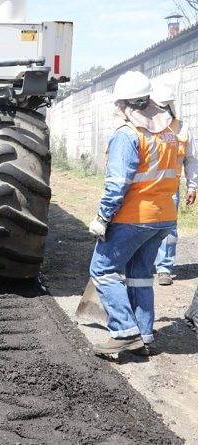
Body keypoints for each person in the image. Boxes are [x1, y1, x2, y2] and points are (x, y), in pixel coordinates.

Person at [88, 71, 181, 356]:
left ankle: (124, 331)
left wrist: (103, 218)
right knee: (139, 274)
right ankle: (144, 335)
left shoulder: (127, 135)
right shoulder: (168, 134)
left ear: (123, 105)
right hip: (164, 217)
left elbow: (117, 184)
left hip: (134, 218)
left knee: (102, 270)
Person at [150, 83, 197, 285]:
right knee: (141, 225)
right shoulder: (146, 127)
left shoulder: (183, 129)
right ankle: (141, 264)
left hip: (170, 189)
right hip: (146, 187)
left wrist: (193, 185)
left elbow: (191, 159)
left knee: (168, 229)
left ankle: (164, 269)